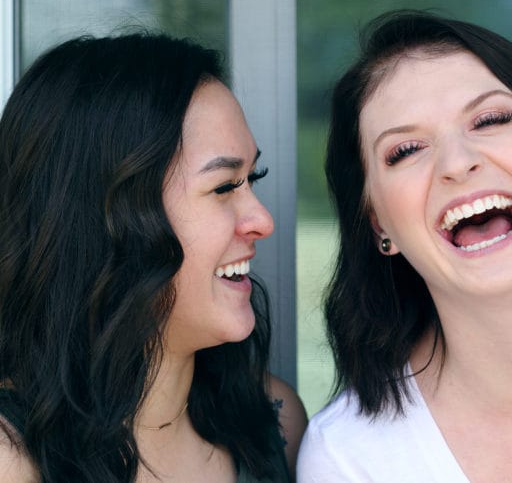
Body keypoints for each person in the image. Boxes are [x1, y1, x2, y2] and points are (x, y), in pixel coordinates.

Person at [0, 33, 307, 482]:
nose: (262, 219)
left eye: (252, 178)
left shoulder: (273, 422)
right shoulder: (12, 457)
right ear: (105, 218)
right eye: (224, 186)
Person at [297, 9, 512, 482]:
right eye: (406, 151)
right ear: (378, 223)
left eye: (489, 119)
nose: (457, 162)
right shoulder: (349, 458)